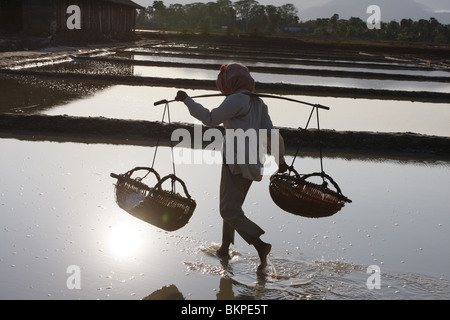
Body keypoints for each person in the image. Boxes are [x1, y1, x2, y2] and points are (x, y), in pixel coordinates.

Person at [175, 63, 289, 274]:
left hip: (235, 162)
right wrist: (280, 160)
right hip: (253, 162)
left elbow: (210, 119)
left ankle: (260, 245)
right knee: (232, 207)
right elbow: (271, 133)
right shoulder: (258, 103)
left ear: (232, 82)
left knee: (228, 210)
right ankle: (225, 248)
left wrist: (187, 100)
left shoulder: (236, 99)